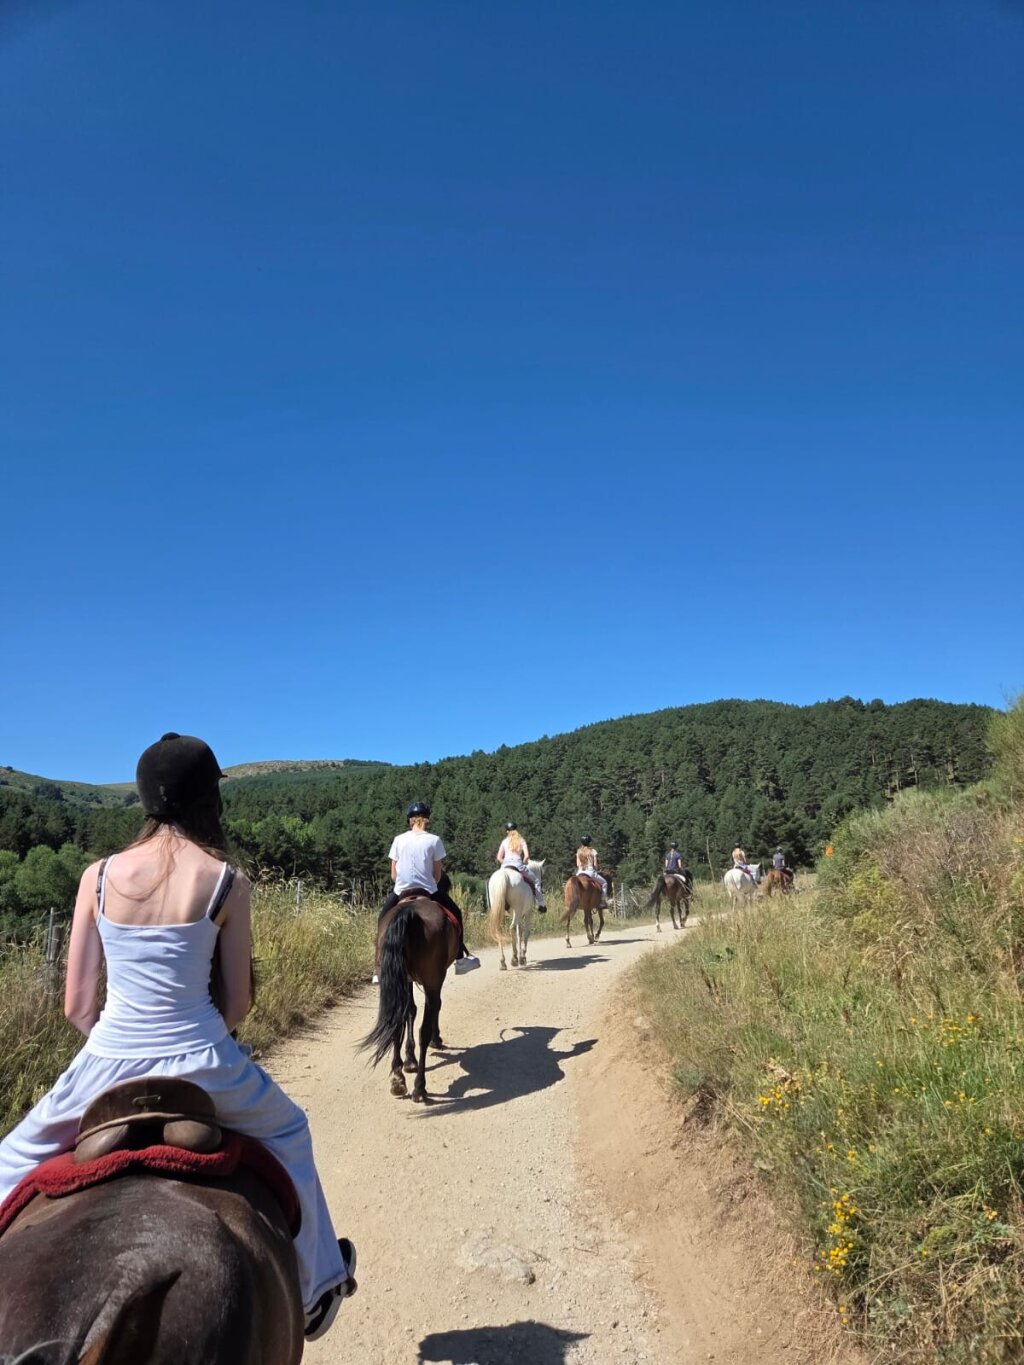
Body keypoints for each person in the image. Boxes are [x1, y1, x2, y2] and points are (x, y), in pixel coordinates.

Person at [0, 732, 355, 1342]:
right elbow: (237, 1002)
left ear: (144, 797)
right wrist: (207, 1041)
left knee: (10, 1160)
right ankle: (319, 1285)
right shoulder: (226, 879)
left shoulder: (97, 877)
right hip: (206, 1060)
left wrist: (115, 1046)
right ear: (209, 798)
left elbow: (77, 1005)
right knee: (293, 1132)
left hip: (107, 1059)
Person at [376, 801, 479, 976]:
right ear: (427, 820)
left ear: (410, 820)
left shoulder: (398, 840)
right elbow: (437, 875)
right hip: (428, 890)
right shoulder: (434, 840)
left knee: (382, 919)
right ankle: (460, 960)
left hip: (401, 890)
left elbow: (393, 875)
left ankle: (378, 966)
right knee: (456, 914)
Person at [495, 821, 545, 910]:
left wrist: (506, 862)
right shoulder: (521, 840)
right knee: (536, 881)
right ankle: (541, 903)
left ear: (507, 832)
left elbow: (499, 857)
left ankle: (492, 904)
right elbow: (527, 856)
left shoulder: (504, 842)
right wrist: (524, 862)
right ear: (516, 830)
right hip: (518, 865)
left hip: (505, 866)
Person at [575, 835, 609, 907]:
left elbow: (578, 864)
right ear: (589, 842)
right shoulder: (593, 851)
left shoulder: (578, 851)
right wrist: (596, 870)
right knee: (604, 883)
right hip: (590, 872)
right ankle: (602, 901)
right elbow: (595, 864)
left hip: (579, 872)